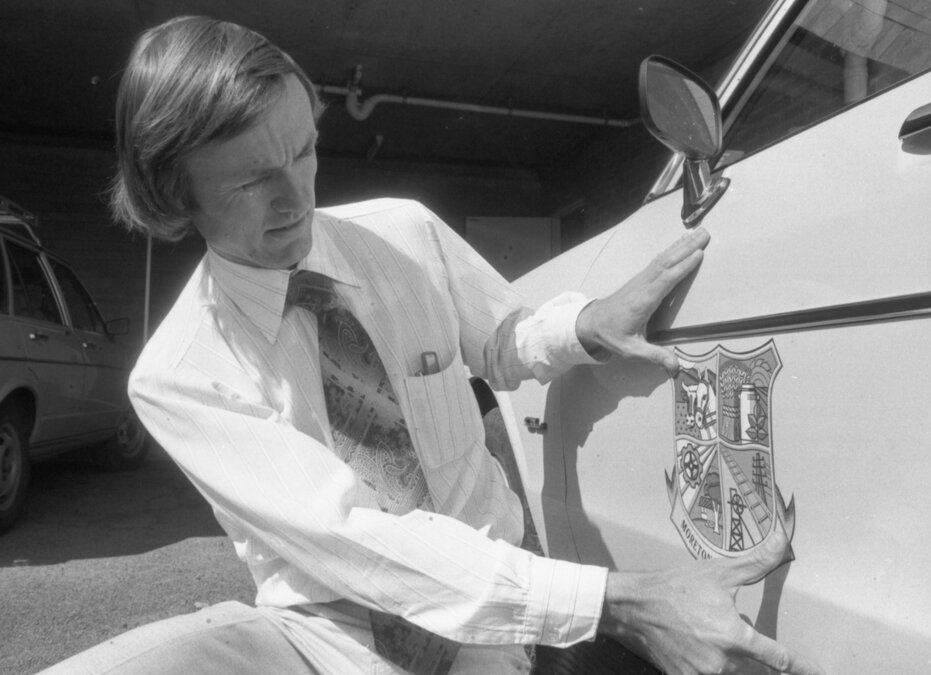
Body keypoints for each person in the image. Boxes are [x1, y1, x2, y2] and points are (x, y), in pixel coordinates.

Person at [42, 16, 824, 675]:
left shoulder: (403, 231)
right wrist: (618, 601)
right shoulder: (181, 377)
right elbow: (363, 544)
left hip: (510, 633)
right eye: (251, 181)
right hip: (352, 648)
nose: (297, 198)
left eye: (304, 152)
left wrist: (585, 326)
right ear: (175, 194)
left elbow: (503, 340)